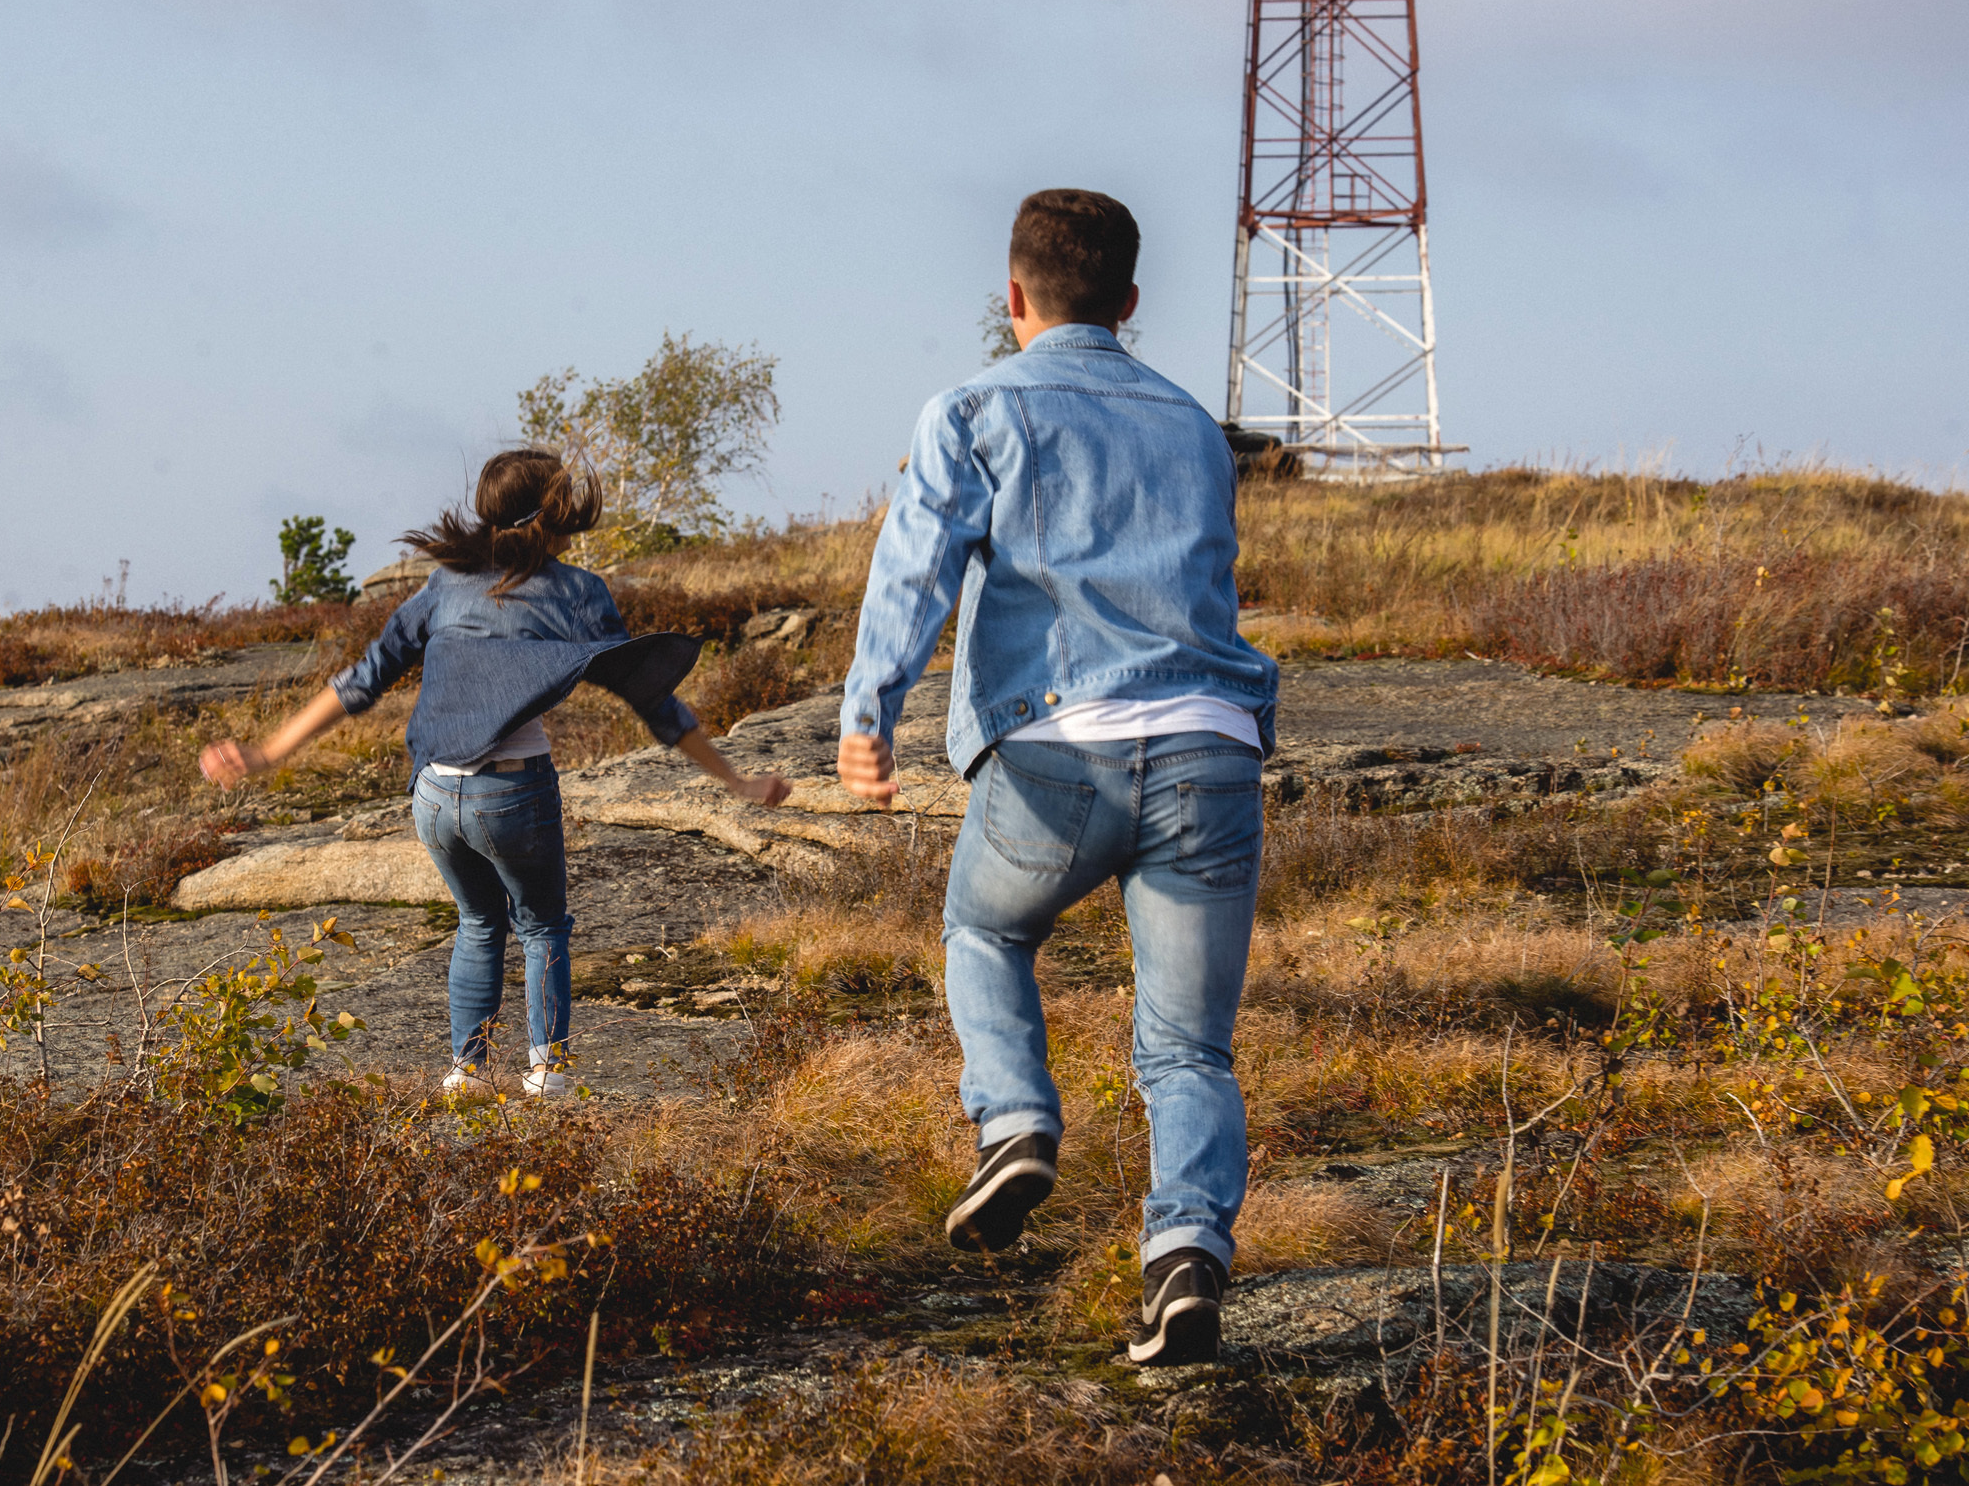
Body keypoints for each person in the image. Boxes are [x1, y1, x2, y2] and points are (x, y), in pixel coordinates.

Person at [837, 190, 1278, 1367]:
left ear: (1013, 296)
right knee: (1189, 1047)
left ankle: (1017, 1124)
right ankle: (1184, 1257)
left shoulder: (974, 408)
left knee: (985, 932)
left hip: (1059, 750)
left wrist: (869, 711)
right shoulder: (1195, 428)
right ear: (1129, 301)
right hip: (1211, 751)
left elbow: (915, 568)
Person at [203, 448, 791, 1099]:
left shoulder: (444, 584)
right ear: (553, 515)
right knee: (541, 926)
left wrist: (267, 752)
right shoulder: (577, 591)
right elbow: (655, 703)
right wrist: (735, 781)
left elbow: (362, 681)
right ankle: (547, 1073)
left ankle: (468, 1073)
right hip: (513, 792)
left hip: (433, 795)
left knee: (479, 922)